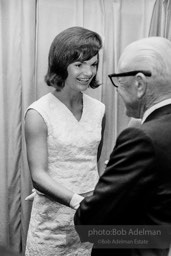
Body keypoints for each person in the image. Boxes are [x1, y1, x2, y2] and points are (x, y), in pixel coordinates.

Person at [74, 36, 171, 256]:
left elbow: (89, 225)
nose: (117, 89)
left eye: (118, 80)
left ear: (139, 84)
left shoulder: (142, 138)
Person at [24, 26, 105, 256]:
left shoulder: (99, 109)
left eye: (94, 64)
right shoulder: (38, 113)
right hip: (51, 223)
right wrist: (78, 201)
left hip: (88, 221)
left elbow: (90, 161)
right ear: (61, 64)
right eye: (79, 64)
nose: (88, 72)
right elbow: (38, 175)